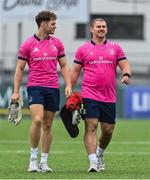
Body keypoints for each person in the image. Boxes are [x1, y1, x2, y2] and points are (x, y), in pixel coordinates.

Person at [11, 10, 72, 172]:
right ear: (43, 23)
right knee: (37, 120)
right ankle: (33, 159)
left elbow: (64, 65)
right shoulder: (28, 44)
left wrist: (68, 85)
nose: (55, 27)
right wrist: (16, 91)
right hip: (35, 87)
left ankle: (44, 162)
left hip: (53, 88)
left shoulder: (57, 43)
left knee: (47, 125)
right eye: (53, 24)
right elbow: (19, 69)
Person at [71, 18, 131, 172]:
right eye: (98, 26)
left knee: (108, 130)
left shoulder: (115, 48)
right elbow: (76, 70)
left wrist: (126, 74)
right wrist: (69, 87)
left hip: (109, 96)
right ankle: (92, 162)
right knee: (91, 126)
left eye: (104, 26)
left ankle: (99, 153)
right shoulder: (83, 49)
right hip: (89, 94)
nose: (101, 29)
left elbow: (124, 64)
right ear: (91, 29)